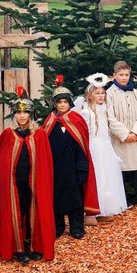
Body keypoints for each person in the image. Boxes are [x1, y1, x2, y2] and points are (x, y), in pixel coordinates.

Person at [0, 87, 55, 264]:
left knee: (32, 209)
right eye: (18, 112)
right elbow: (0, 162)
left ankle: (34, 245)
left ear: (31, 114)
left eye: (25, 113)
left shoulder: (39, 134)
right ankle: (18, 248)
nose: (22, 116)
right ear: (14, 115)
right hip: (13, 182)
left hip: (34, 181)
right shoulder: (7, 135)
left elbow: (45, 162)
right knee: (15, 211)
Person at [43, 86, 99, 239]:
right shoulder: (49, 121)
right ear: (55, 103)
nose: (62, 105)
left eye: (65, 102)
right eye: (59, 102)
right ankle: (58, 226)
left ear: (70, 103)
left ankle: (77, 226)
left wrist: (82, 168)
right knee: (57, 198)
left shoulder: (77, 120)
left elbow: (83, 146)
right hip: (56, 169)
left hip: (74, 169)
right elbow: (43, 146)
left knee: (76, 199)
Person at [77, 73, 128, 221]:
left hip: (105, 147)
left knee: (107, 177)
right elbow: (85, 132)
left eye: (103, 93)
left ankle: (105, 210)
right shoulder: (86, 112)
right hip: (93, 147)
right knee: (96, 178)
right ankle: (91, 212)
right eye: (97, 93)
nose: (101, 96)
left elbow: (109, 128)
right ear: (90, 95)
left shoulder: (105, 109)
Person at [106, 61, 137, 208]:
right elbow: (110, 118)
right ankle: (123, 200)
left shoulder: (136, 94)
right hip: (119, 138)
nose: (124, 78)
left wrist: (135, 132)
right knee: (121, 170)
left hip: (135, 137)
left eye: (126, 75)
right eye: (121, 75)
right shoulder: (109, 95)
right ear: (114, 76)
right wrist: (124, 134)